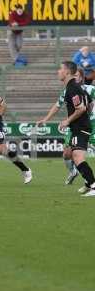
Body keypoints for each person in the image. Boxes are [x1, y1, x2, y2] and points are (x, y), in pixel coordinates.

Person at [38, 61, 95, 196]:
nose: (58, 71)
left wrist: (67, 121)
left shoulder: (73, 88)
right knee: (75, 156)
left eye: (60, 69)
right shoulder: (73, 88)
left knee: (77, 157)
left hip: (80, 127)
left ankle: (93, 185)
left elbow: (80, 108)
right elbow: (88, 104)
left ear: (67, 72)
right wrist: (46, 119)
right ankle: (89, 184)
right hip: (80, 126)